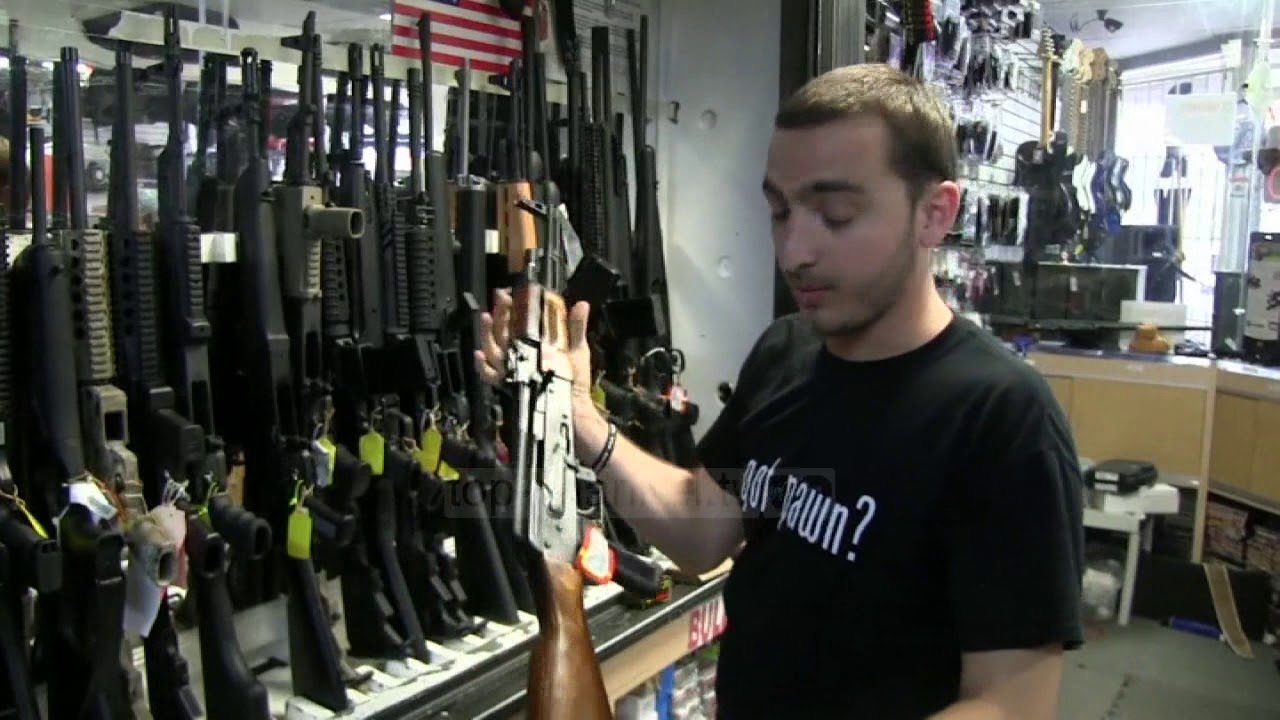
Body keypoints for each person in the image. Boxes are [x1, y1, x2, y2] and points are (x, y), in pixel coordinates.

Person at [476, 63, 1084, 719]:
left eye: (836, 215)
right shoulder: (786, 351)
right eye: (780, 211)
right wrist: (578, 416)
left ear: (935, 213)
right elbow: (702, 531)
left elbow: (1010, 705)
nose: (795, 251)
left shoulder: (1003, 418)